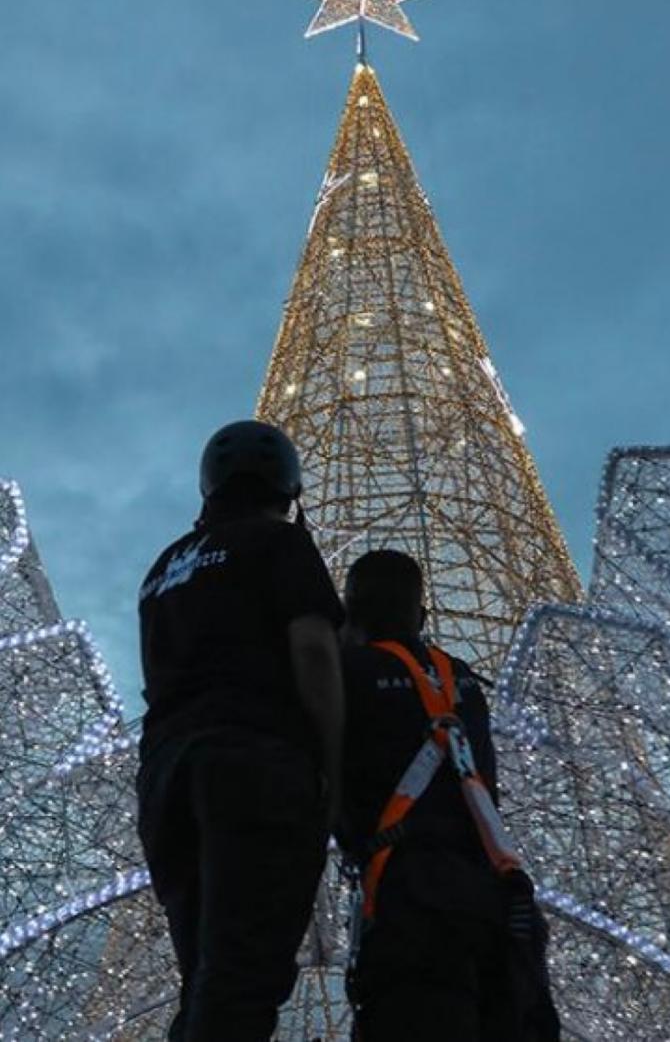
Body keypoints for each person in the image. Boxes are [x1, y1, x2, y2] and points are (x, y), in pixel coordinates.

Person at [136, 420, 345, 1042]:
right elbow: (314, 649)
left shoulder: (164, 566)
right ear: (289, 488)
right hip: (254, 760)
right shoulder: (279, 541)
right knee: (244, 972)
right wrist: (331, 761)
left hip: (165, 776)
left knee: (203, 973)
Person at [338, 549, 560, 1042]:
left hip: (413, 902)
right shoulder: (462, 679)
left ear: (351, 614)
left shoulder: (347, 672)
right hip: (498, 900)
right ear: (421, 617)